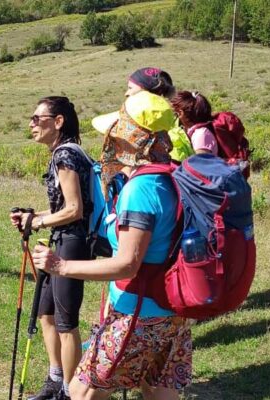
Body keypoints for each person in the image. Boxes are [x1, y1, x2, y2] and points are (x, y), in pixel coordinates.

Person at [32, 91, 192, 400]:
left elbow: (127, 263)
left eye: (117, 132)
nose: (111, 140)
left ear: (133, 138)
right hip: (173, 310)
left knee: (81, 393)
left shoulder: (141, 189)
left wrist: (60, 265)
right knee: (157, 393)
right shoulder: (172, 176)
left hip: (138, 314)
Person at [10, 96, 93, 400]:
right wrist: (32, 217)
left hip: (71, 243)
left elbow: (74, 210)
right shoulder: (62, 153)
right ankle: (55, 379)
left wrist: (38, 223)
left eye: (37, 118)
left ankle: (70, 392)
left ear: (58, 122)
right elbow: (63, 208)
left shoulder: (65, 156)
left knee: (65, 322)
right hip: (62, 238)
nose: (31, 123)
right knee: (46, 313)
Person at [92, 68, 192, 197]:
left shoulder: (140, 187)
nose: (126, 93)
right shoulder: (169, 132)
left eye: (130, 87)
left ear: (135, 139)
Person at [170, 90, 217, 155]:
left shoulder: (200, 135)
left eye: (175, 113)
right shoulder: (194, 131)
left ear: (181, 113)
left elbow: (202, 163)